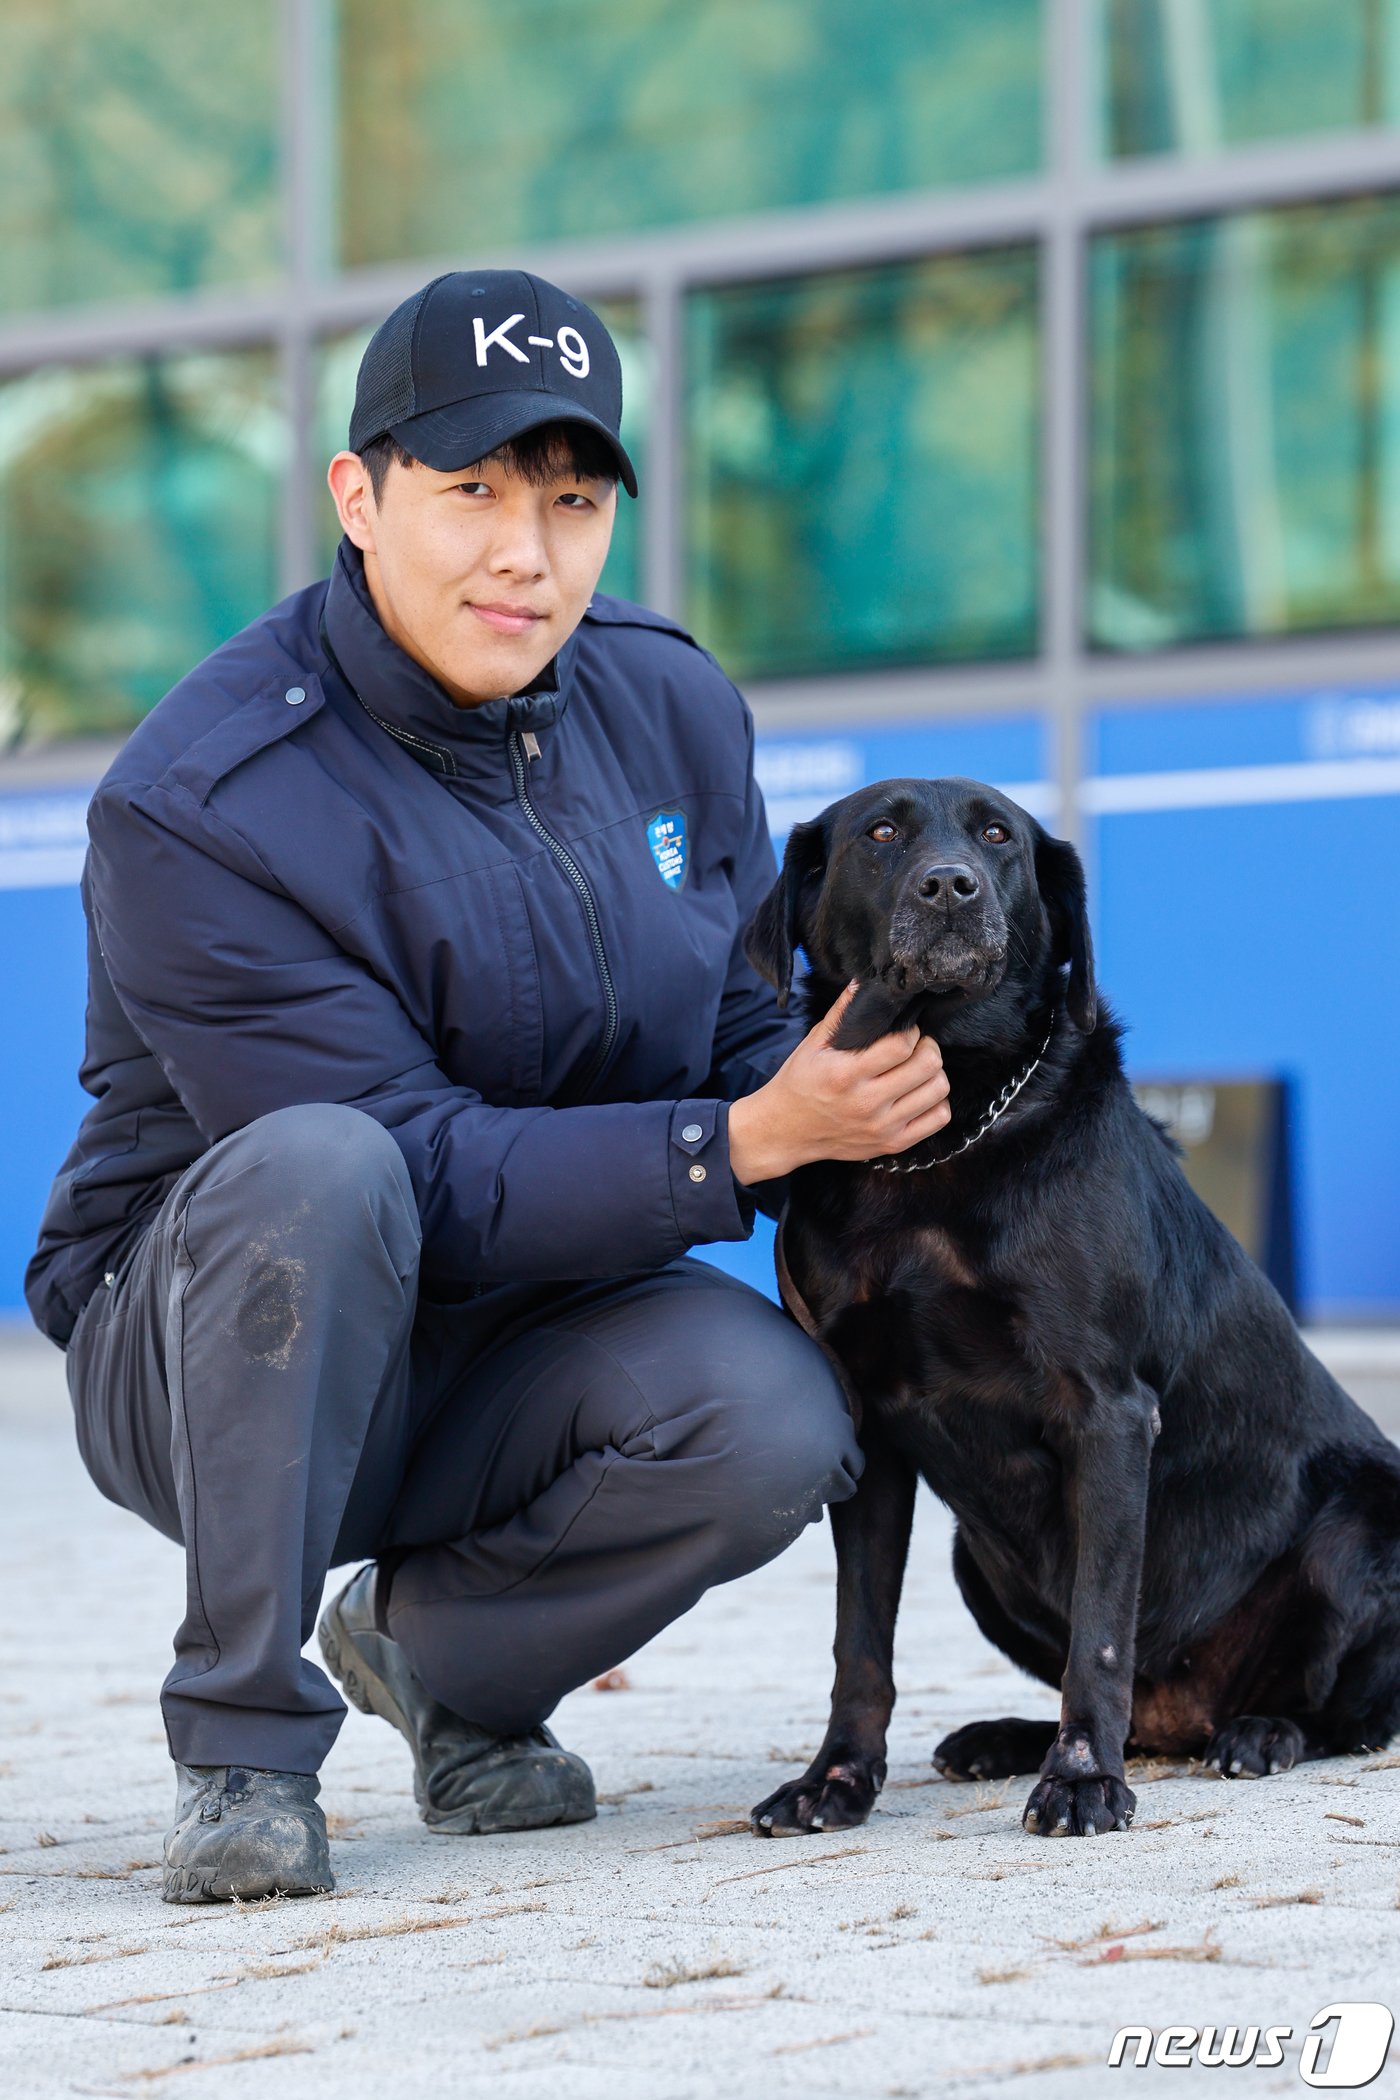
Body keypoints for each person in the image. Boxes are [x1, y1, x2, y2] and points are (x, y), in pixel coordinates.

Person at [24, 270, 952, 1905]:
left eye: (573, 500)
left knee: (776, 1421)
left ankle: (442, 1661)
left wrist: (876, 1088)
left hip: (513, 1324)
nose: (527, 555)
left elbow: (735, 1021)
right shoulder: (202, 801)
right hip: (208, 1345)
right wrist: (741, 1145)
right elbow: (408, 1168)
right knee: (321, 1169)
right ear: (360, 499)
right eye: (470, 494)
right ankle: (242, 1743)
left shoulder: (667, 703)